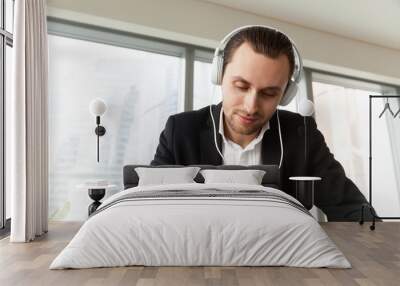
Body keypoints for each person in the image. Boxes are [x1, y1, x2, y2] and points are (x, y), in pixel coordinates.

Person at [151, 25, 369, 221]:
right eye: (241, 86)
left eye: (269, 93)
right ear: (219, 76)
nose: (251, 106)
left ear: (286, 95)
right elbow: (145, 207)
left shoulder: (302, 134)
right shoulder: (180, 131)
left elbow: (353, 210)